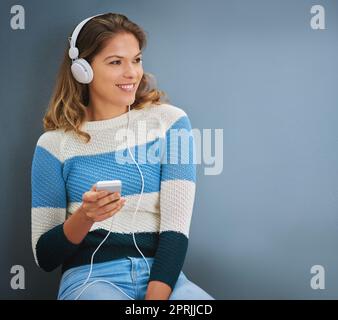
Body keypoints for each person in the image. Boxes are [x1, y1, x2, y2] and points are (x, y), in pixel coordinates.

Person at [31, 12, 214, 300]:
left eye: (136, 60)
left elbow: (176, 231)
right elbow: (45, 257)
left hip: (164, 277)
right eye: (116, 62)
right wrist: (85, 217)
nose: (132, 73)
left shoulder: (170, 123)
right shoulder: (53, 145)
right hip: (90, 278)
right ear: (83, 70)